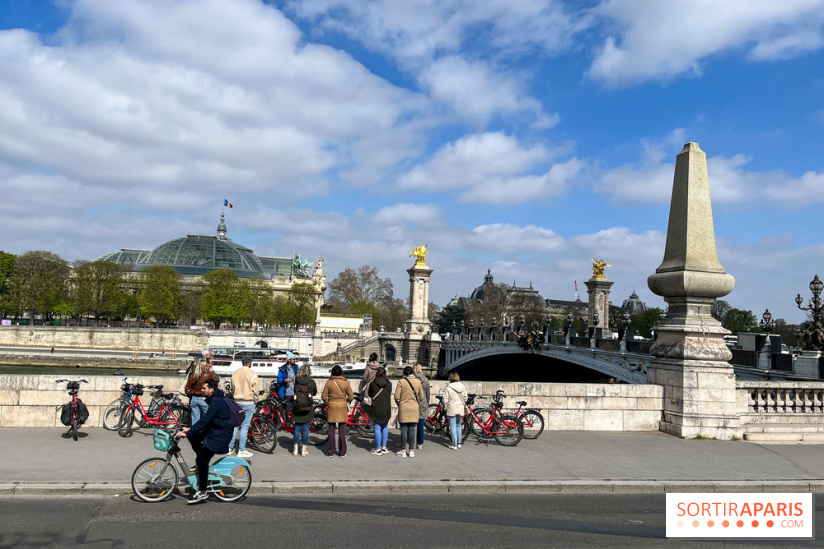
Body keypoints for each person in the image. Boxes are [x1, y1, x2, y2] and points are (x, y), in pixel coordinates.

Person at [174, 378, 232, 504]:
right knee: (194, 437)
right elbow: (206, 421)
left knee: (201, 459)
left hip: (220, 435)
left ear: (211, 390)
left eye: (204, 388)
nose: (201, 390)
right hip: (214, 431)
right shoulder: (213, 400)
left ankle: (203, 492)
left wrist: (187, 432)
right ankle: (202, 466)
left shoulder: (216, 402)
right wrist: (190, 430)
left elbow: (205, 421)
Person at [228, 355, 258, 458]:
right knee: (244, 427)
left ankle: (230, 448)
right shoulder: (253, 374)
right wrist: (255, 399)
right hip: (248, 402)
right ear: (249, 363)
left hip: (237, 401)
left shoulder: (235, 373)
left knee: (235, 425)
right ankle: (241, 450)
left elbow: (232, 388)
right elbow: (256, 390)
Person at [321, 364, 353, 458]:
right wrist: (347, 401)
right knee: (342, 429)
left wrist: (328, 402)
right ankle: (342, 451)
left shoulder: (329, 382)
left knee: (331, 429)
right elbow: (351, 396)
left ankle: (330, 451)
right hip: (342, 405)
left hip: (332, 405)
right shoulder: (345, 382)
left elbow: (323, 396)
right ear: (341, 373)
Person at [394, 365, 423, 458]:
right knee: (411, 429)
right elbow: (421, 396)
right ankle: (411, 450)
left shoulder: (402, 381)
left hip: (404, 407)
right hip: (414, 407)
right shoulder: (418, 382)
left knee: (403, 429)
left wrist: (400, 403)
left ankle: (403, 450)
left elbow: (396, 396)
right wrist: (415, 402)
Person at [185, 349, 217, 425]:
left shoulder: (194, 374)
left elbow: (188, 387)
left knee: (195, 418)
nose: (211, 356)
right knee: (208, 416)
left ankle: (194, 433)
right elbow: (215, 382)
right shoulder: (208, 375)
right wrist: (212, 372)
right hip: (202, 398)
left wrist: (192, 393)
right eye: (210, 354)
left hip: (194, 397)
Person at [292, 364, 317, 457]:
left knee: (297, 428)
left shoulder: (296, 381)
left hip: (297, 406)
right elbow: (314, 392)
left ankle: (295, 450)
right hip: (307, 407)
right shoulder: (311, 381)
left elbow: (294, 391)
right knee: (306, 429)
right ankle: (303, 450)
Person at [367, 366, 391, 455]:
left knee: (377, 428)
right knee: (385, 427)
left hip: (376, 407)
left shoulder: (373, 383)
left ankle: (378, 449)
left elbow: (369, 393)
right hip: (386, 407)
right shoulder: (389, 383)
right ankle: (384, 447)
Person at [442, 371, 468, 450]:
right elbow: (465, 398)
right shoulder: (462, 386)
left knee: (452, 426)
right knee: (458, 426)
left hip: (452, 408)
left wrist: (446, 404)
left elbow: (445, 400)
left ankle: (454, 444)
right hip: (460, 408)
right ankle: (459, 443)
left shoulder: (448, 388)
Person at [412, 363, 430, 450]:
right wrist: (427, 402)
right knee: (421, 424)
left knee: (410, 424)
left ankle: (409, 440)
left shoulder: (413, 380)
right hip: (423, 402)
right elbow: (428, 393)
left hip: (414, 402)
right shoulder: (426, 380)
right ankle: (419, 443)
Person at [277, 352, 299, 420]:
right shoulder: (283, 369)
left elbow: (299, 376)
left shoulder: (296, 367)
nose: (295, 361)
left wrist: (297, 380)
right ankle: (285, 422)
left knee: (293, 408)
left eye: (295, 359)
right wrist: (285, 380)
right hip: (286, 392)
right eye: (293, 359)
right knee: (286, 408)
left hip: (294, 391)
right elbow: (279, 379)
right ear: (289, 360)